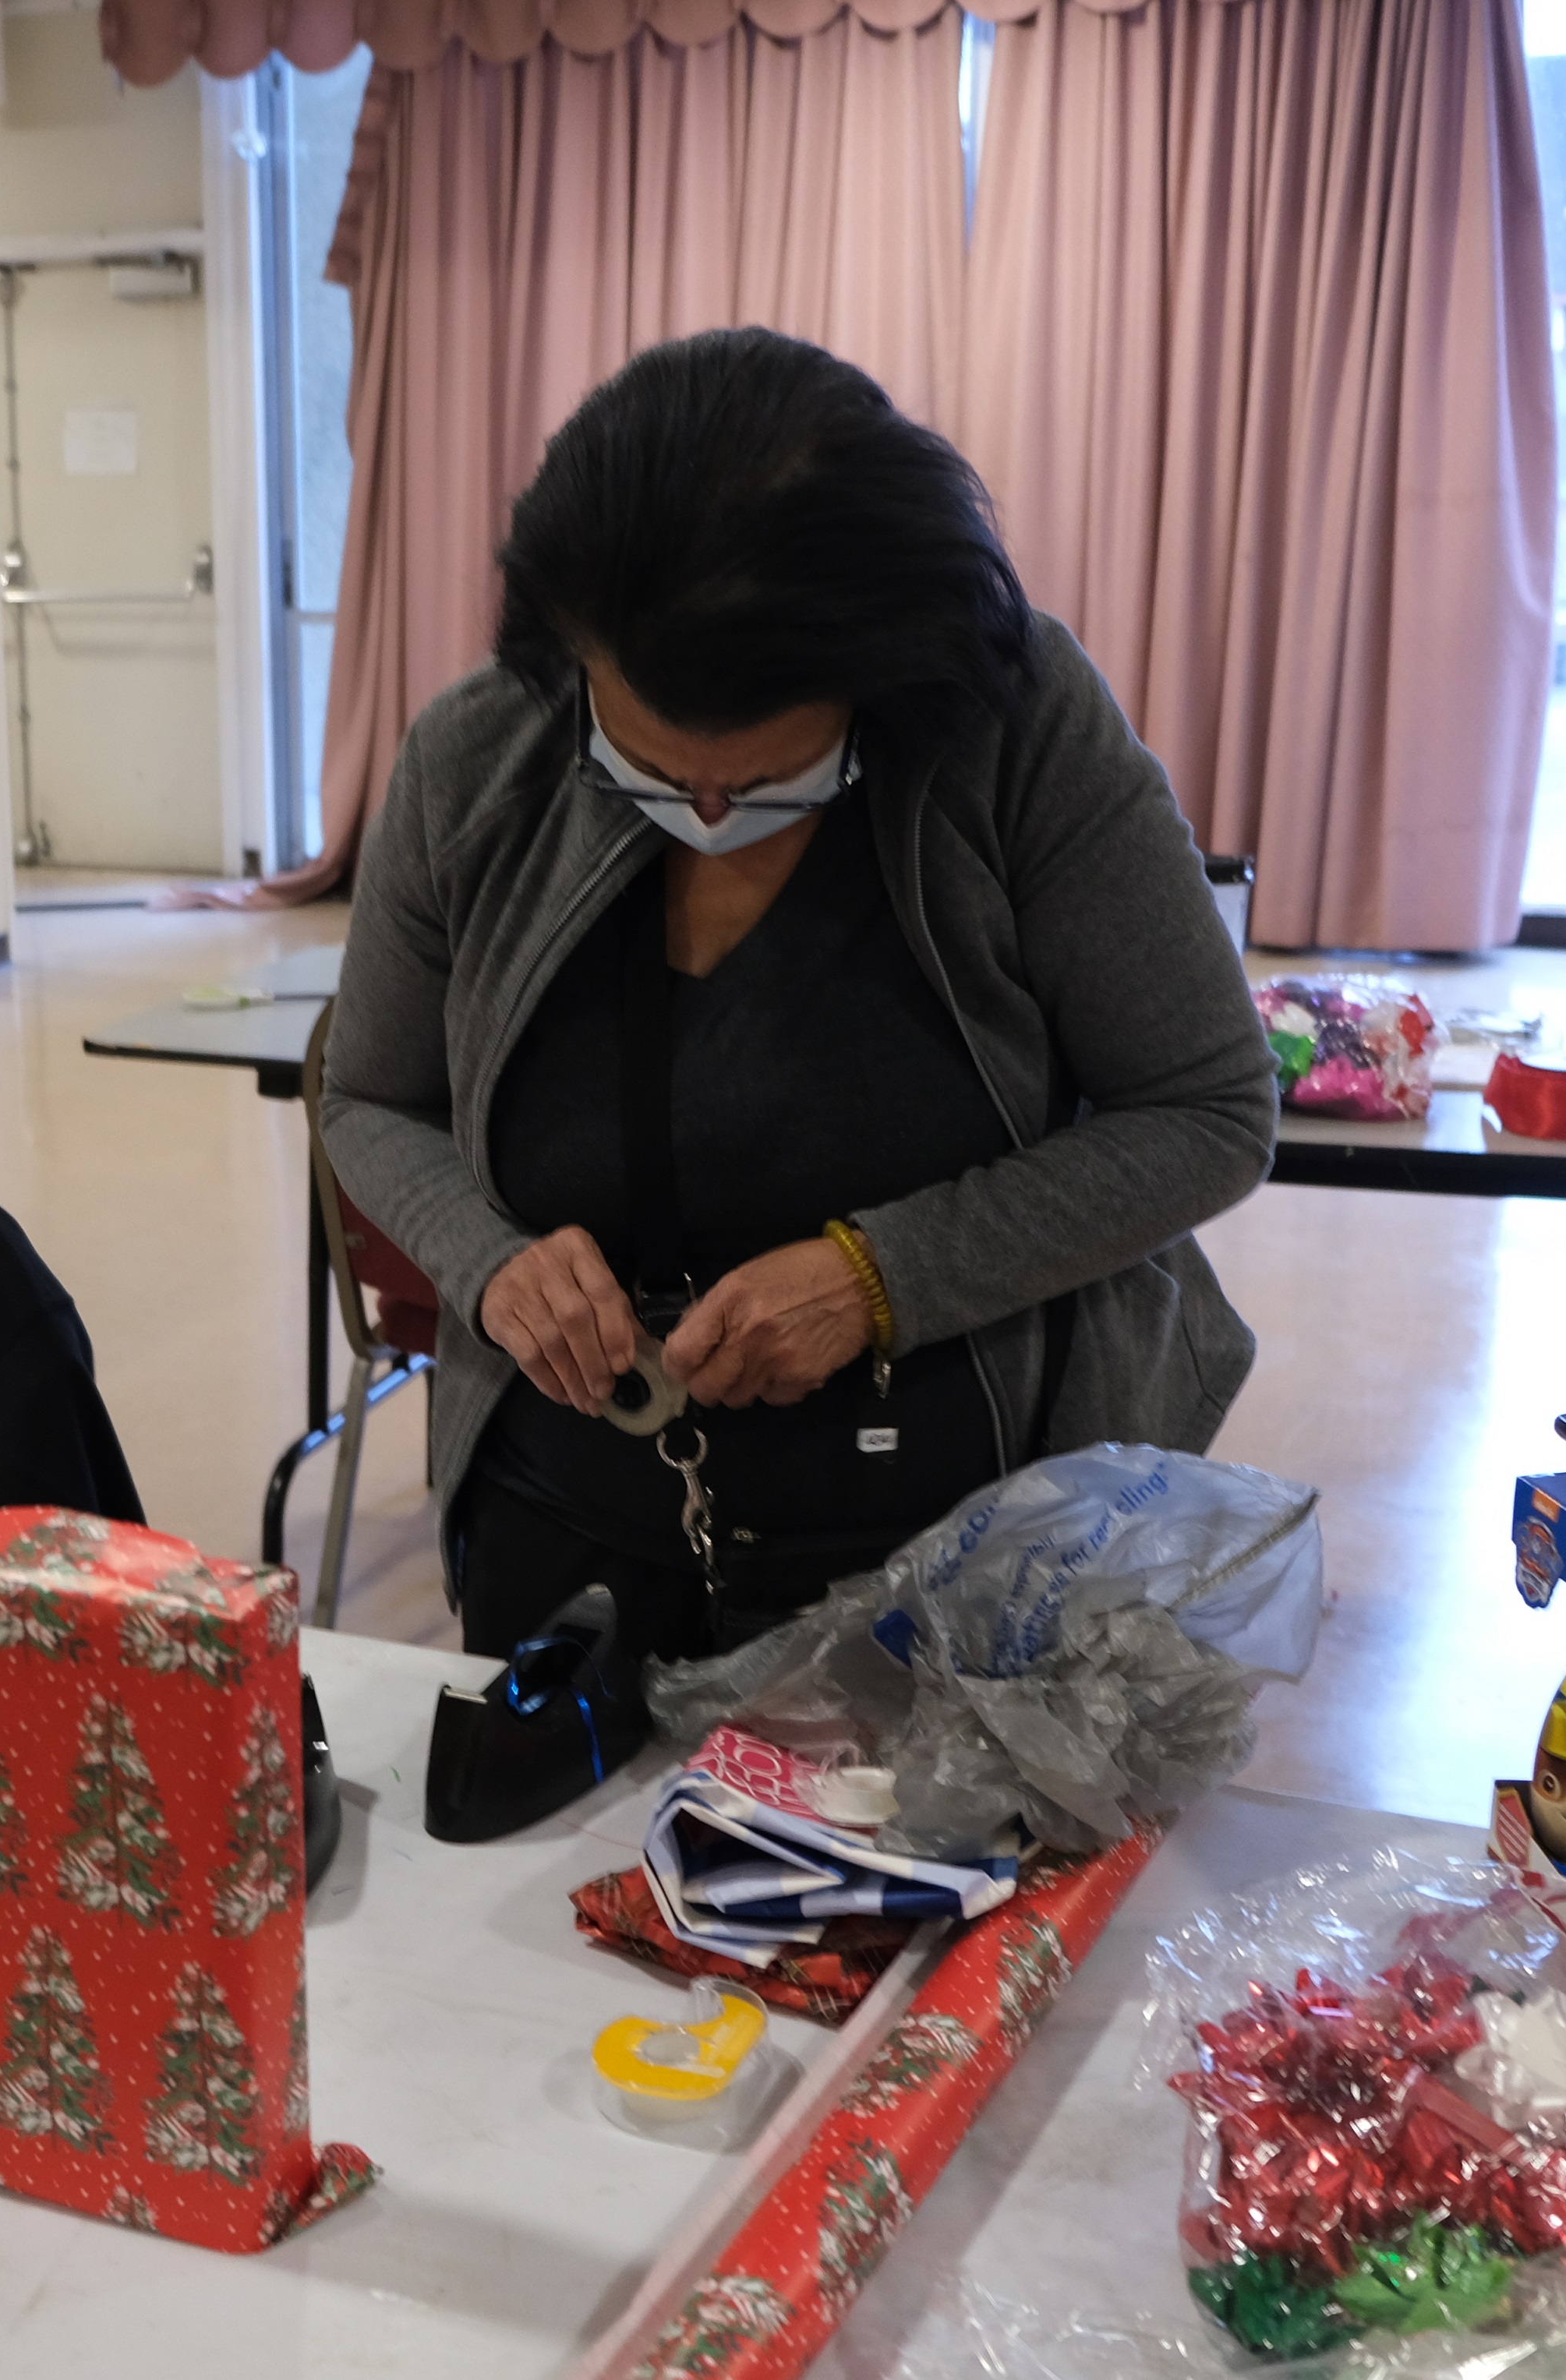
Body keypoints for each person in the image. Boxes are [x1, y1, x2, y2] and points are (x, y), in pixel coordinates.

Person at [320, 329, 1278, 1691]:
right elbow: (370, 1095)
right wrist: (487, 1261)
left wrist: (879, 1279)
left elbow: (1205, 1110)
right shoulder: (478, 754)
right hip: (567, 1515)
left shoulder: (1015, 729)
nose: (706, 823)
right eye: (649, 769)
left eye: (766, 780)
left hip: (963, 1537)